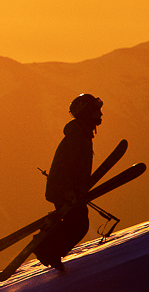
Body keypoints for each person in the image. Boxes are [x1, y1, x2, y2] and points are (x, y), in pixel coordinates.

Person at [37, 93, 103, 271]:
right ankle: (46, 249)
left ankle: (50, 249)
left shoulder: (82, 133)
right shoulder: (78, 137)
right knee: (79, 223)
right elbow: (65, 166)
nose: (101, 114)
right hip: (64, 189)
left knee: (78, 222)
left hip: (66, 189)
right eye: (96, 110)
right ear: (86, 112)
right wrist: (68, 190)